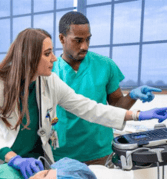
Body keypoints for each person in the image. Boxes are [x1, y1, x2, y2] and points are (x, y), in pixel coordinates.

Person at [0, 28, 167, 178]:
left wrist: (138, 115)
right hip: (5, 160)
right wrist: (14, 159)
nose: (54, 58)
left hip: (37, 162)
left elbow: (88, 108)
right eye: (47, 54)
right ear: (28, 57)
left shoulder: (48, 81)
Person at [52, 11, 163, 165]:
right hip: (62, 155)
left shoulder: (104, 65)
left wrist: (132, 95)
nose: (84, 46)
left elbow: (116, 106)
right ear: (62, 38)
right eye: (77, 40)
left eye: (87, 39)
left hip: (99, 152)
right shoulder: (50, 71)